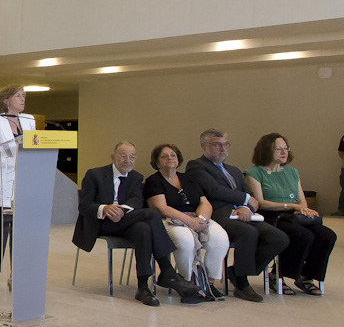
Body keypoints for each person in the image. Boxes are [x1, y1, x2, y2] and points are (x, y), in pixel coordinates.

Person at [73, 141, 206, 306]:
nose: (128, 160)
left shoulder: (136, 177)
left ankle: (143, 287)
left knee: (142, 229)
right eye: (123, 156)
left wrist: (122, 210)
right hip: (102, 223)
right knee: (152, 214)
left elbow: (136, 200)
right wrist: (105, 208)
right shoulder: (95, 174)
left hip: (125, 220)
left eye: (132, 157)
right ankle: (167, 270)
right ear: (113, 157)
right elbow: (84, 205)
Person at [185, 129, 288, 302]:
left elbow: (251, 197)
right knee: (248, 232)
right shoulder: (197, 166)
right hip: (218, 215)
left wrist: (244, 207)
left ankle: (236, 271)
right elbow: (214, 190)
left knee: (279, 237)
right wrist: (245, 199)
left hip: (243, 215)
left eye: (225, 144)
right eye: (217, 145)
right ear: (204, 146)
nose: (223, 149)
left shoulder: (233, 170)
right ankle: (242, 283)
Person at [244, 133, 335, 295]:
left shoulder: (292, 172)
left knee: (327, 235)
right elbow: (260, 202)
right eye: (278, 149)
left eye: (286, 148)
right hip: (272, 216)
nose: (284, 152)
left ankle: (307, 276)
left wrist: (303, 209)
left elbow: (301, 200)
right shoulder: (254, 173)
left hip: (294, 216)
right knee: (302, 235)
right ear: (266, 150)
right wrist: (291, 205)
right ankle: (277, 276)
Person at [143, 143, 230, 296]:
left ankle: (209, 282)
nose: (170, 158)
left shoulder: (188, 178)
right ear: (156, 162)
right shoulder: (153, 181)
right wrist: (189, 221)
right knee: (186, 241)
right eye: (164, 156)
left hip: (196, 217)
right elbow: (161, 208)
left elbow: (204, 203)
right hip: (170, 220)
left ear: (178, 159)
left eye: (173, 155)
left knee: (220, 238)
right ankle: (187, 281)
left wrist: (201, 219)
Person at [0, 84, 35, 295]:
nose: (22, 98)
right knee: (0, 232)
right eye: (18, 95)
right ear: (5, 100)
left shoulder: (29, 120)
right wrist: (14, 159)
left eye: (24, 95)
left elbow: (33, 149)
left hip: (24, 185)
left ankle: (16, 275)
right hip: (2, 185)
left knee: (21, 232)